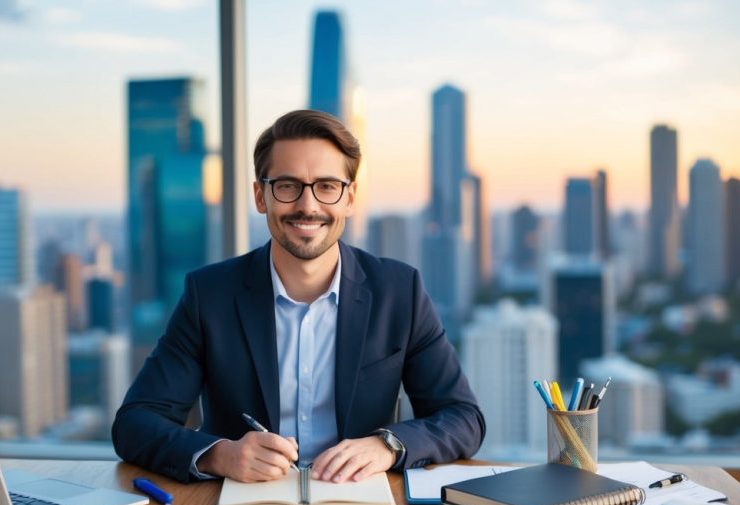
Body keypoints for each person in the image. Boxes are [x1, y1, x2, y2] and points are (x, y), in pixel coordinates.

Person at [113, 109, 484, 484]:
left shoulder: (399, 291)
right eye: (288, 186)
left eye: (327, 186)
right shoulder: (209, 295)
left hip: (362, 500)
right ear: (261, 196)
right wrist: (220, 455)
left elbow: (463, 418)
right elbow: (135, 423)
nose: (308, 206)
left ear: (350, 198)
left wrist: (387, 446)